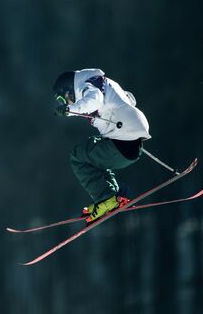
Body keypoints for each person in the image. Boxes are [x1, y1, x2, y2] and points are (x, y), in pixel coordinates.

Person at [52, 68, 151, 222]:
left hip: (121, 144)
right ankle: (110, 198)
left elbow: (94, 99)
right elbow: (129, 99)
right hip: (131, 145)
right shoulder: (100, 81)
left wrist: (69, 109)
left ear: (69, 91)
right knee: (91, 149)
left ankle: (106, 197)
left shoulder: (87, 86)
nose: (65, 102)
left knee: (77, 156)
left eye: (62, 99)